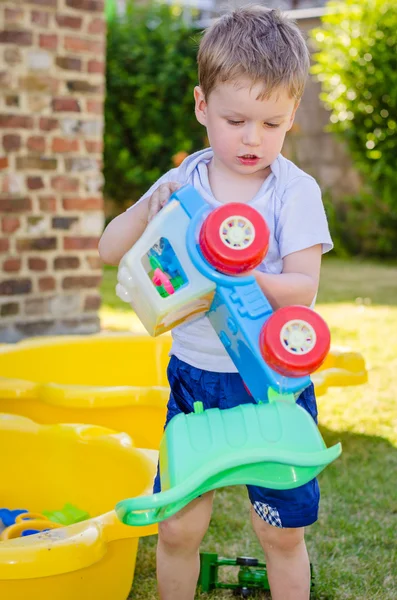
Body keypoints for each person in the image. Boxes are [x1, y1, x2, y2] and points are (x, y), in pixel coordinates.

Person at [99, 5, 333, 600]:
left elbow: (304, 285)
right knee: (179, 524)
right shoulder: (184, 182)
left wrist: (241, 278)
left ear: (291, 116)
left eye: (272, 123)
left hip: (270, 384)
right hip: (195, 381)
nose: (254, 139)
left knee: (280, 532)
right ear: (202, 106)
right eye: (236, 120)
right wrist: (148, 211)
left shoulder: (294, 191)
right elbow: (108, 250)